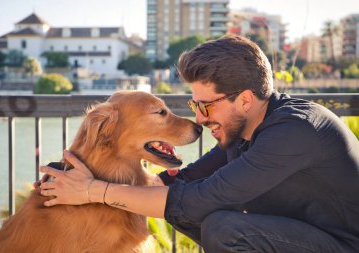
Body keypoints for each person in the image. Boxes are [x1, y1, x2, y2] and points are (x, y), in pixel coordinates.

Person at [39, 35, 359, 253]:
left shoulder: (293, 132)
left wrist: (95, 192)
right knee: (194, 212)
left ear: (245, 100)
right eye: (195, 107)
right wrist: (77, 181)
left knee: (223, 226)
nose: (200, 120)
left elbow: (197, 199)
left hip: (345, 244)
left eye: (205, 106)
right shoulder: (243, 133)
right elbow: (182, 181)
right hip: (307, 236)